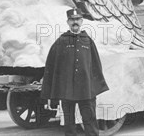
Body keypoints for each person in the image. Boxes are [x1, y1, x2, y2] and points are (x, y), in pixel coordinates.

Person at [41, 8, 108, 136]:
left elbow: (95, 65)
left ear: (82, 21)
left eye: (77, 19)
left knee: (90, 121)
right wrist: (54, 89)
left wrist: (94, 87)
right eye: (72, 20)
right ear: (68, 22)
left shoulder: (87, 41)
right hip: (67, 91)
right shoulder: (61, 41)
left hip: (86, 90)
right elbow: (52, 65)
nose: (75, 22)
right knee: (69, 124)